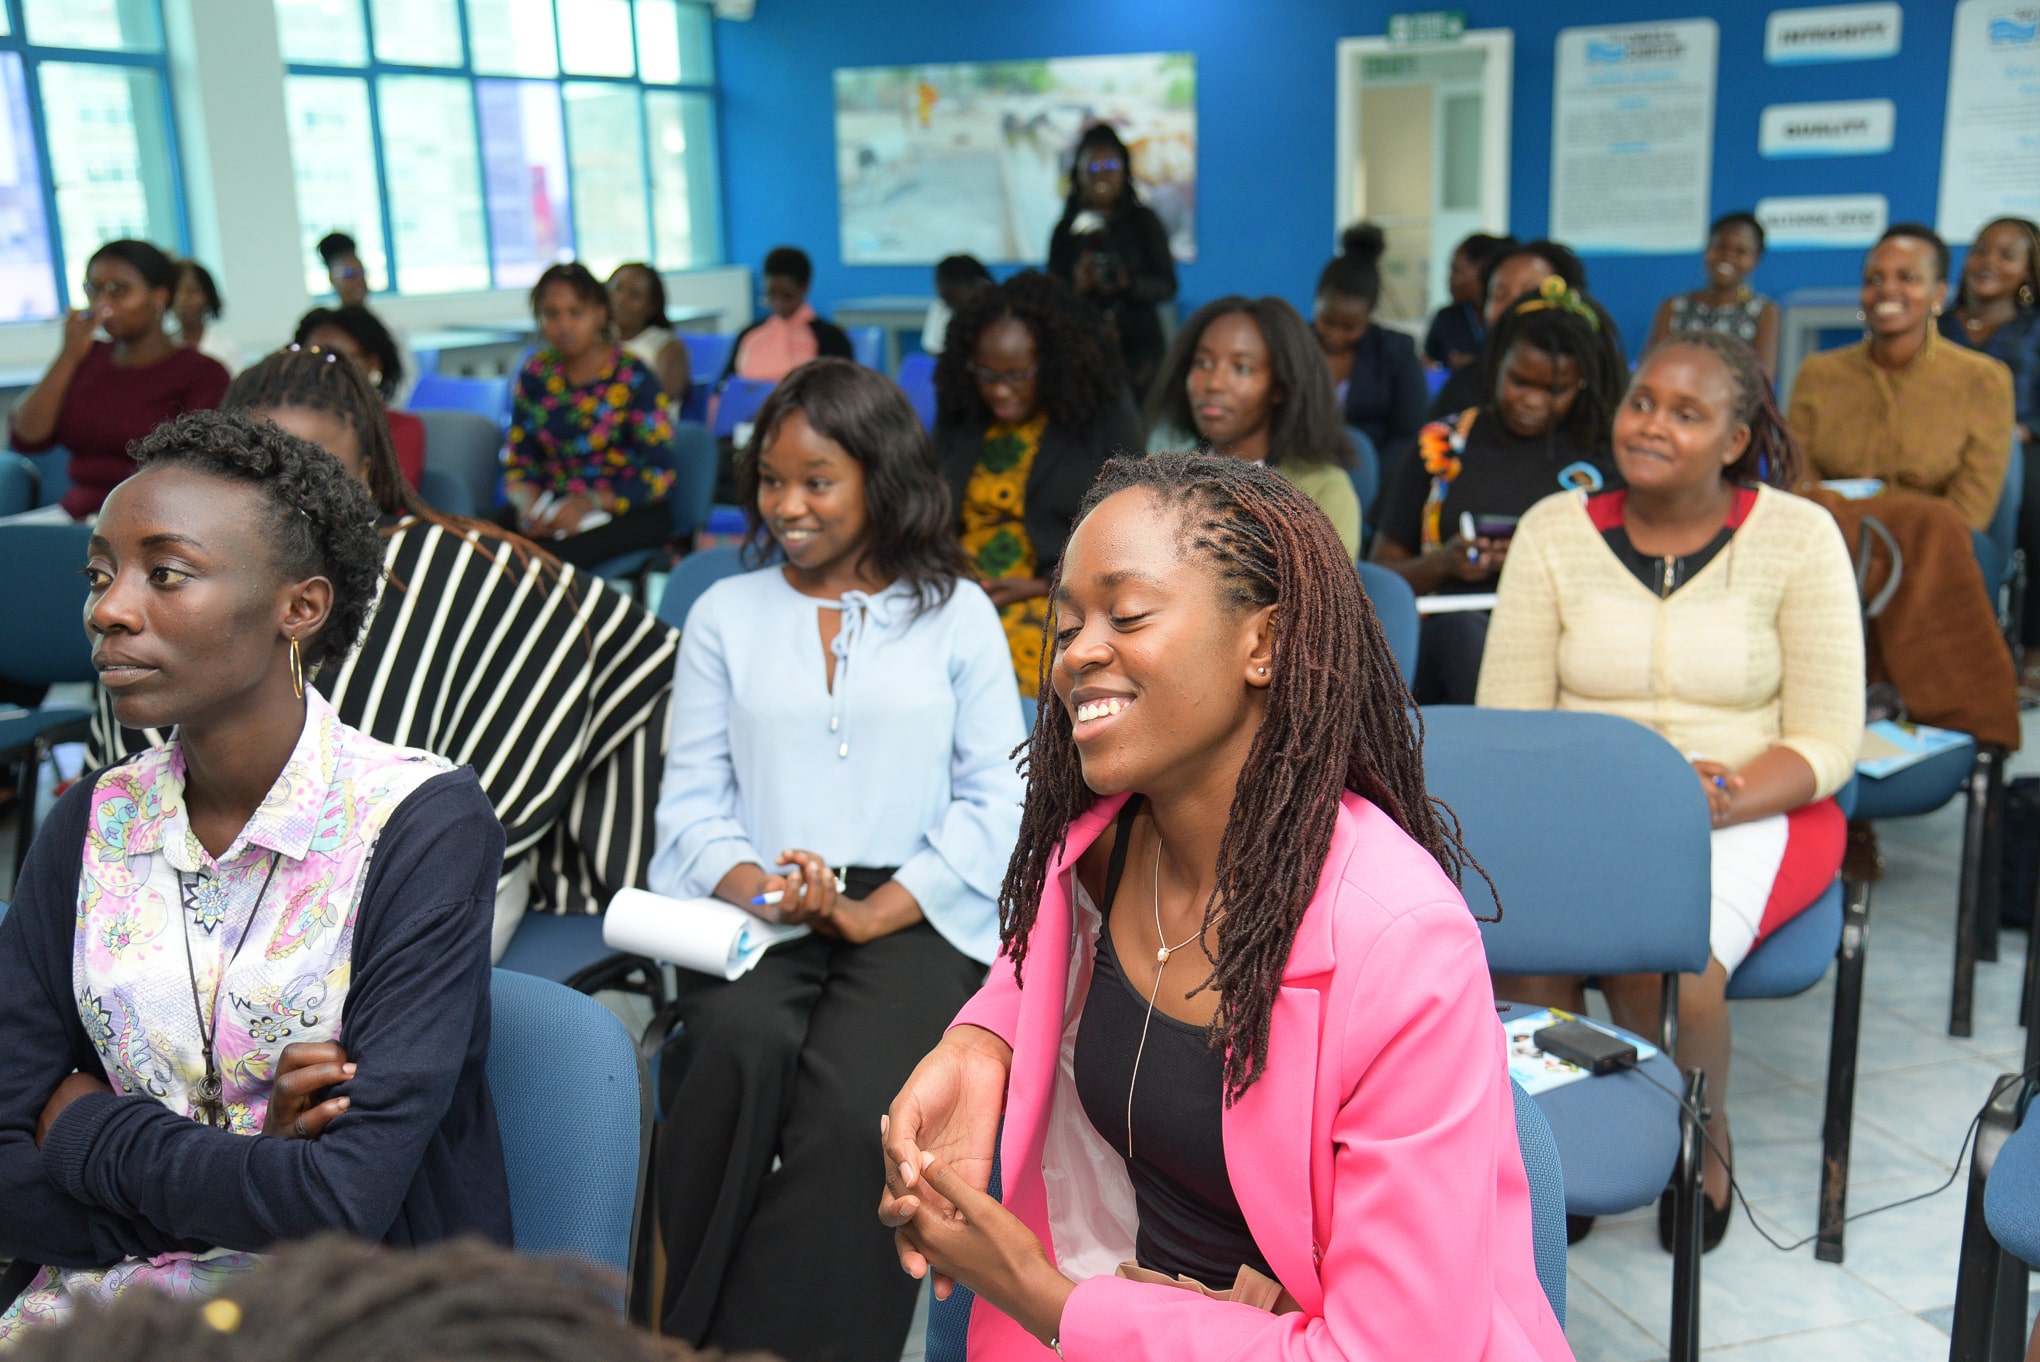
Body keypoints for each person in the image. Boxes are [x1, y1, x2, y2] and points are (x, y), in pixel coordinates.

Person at [876, 454, 1570, 1362]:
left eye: (1128, 615)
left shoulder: (1403, 941)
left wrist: (1048, 1300)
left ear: (1264, 643)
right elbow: (1042, 964)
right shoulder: (1098, 847)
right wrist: (981, 1040)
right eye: (1068, 625)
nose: (1078, 653)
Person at [0, 411, 509, 1342]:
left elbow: (344, 1199)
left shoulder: (418, 823)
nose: (109, 609)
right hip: (106, 1297)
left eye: (166, 573)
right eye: (101, 574)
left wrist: (80, 1131)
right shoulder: (92, 820)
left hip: (352, 1310)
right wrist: (240, 1181)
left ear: (299, 608)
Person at [650, 358, 1025, 1362]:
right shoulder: (725, 613)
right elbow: (691, 801)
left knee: (867, 1113)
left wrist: (867, 911)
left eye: (818, 481)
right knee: (729, 1056)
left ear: (880, 477)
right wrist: (767, 888)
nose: (788, 506)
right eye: (772, 481)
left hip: (917, 904)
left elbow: (999, 801)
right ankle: (678, 1332)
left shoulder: (958, 613)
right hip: (757, 900)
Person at [89, 346, 678, 959]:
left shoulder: (463, 571)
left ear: (366, 475)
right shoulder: (159, 607)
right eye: (255, 475)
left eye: (311, 475)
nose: (283, 502)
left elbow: (632, 648)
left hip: (429, 891)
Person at [1479, 332, 1863, 1251]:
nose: (1652, 425)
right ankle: (1565, 1148)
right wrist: (1618, 801)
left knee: (1678, 975)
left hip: (1749, 802)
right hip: (1582, 797)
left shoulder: (1798, 535)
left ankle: (1701, 1145)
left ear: (1735, 440)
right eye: (1643, 402)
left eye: (1687, 414)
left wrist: (1719, 797)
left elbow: (1827, 735)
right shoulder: (1553, 530)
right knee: (1531, 959)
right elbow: (1513, 718)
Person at [1373, 278, 1626, 703]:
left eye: (1554, 390)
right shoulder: (1443, 444)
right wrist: (1443, 564)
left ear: (1581, 383)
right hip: (1447, 633)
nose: (1532, 401)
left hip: (1565, 639)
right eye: (1519, 381)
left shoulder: (1604, 459)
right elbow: (1381, 579)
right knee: (1462, 635)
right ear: (1496, 364)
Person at [5, 1233, 690, 1362]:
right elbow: (17, 1194)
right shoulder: (72, 869)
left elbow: (344, 1191)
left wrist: (81, 1131)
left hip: (332, 1289)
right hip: (90, 1287)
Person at [934, 271, 1143, 692]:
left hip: (1057, 595)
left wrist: (1041, 585)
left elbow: (1129, 529)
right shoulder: (963, 413)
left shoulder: (1094, 416)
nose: (1000, 391)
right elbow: (927, 504)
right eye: (987, 374)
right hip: (958, 590)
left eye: (1017, 375)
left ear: (1051, 363)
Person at [1790, 224, 2015, 533]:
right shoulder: (1818, 373)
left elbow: (1971, 512)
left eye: (1907, 278)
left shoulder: (1983, 379)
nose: (1887, 289)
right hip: (1832, 538)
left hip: (1936, 542)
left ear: (1939, 294)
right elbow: (1799, 484)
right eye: (1874, 280)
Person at [8, 240, 230, 519]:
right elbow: (27, 436)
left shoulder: (202, 372)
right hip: (78, 511)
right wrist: (68, 355)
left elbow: (200, 468)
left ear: (159, 296)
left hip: (153, 515)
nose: (102, 305)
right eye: (93, 289)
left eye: (118, 290)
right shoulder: (87, 357)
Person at [1147, 296, 1361, 559]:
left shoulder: (1325, 489)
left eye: (1241, 368)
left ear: (1279, 387)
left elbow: (1325, 585)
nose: (1214, 383)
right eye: (1203, 363)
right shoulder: (1167, 477)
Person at [504, 261, 676, 568]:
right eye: (551, 314)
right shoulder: (536, 374)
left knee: (546, 564)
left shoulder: (632, 375)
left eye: (576, 313)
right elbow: (520, 461)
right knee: (480, 542)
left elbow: (660, 474)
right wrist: (527, 507)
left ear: (600, 313)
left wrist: (590, 502)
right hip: (554, 504)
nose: (564, 326)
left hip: (626, 508)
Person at [1941, 216, 2040, 692]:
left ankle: (2032, 651)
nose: (1988, 262)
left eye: (2006, 255)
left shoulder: (2034, 328)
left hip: (2022, 445)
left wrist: (2025, 429)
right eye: (1981, 250)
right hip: (1941, 448)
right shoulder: (1935, 325)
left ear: (2028, 270)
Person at [1048, 124, 1179, 400]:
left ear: (1125, 170)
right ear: (1078, 173)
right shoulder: (1065, 231)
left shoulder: (1144, 222)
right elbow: (1049, 298)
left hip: (1140, 353)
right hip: (1081, 351)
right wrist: (1077, 286)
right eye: (1092, 167)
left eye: (1110, 166)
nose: (1102, 175)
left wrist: (1128, 283)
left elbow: (1167, 285)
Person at [1424, 239, 1589, 423]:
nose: (1514, 307)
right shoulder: (1465, 383)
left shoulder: (1590, 384)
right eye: (1500, 295)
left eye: (1530, 294)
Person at [1313, 223, 1427, 457]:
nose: (1335, 335)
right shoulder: (1293, 344)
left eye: (1349, 327)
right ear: (1316, 304)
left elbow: (1408, 434)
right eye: (1327, 321)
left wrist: (1370, 475)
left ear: (1368, 316)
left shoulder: (1395, 352)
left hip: (1374, 469)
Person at [294, 305, 424, 489]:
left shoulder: (399, 428)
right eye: (312, 357)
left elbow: (389, 500)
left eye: (334, 358)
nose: (322, 369)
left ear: (373, 364)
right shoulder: (292, 425)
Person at [1645, 212, 1781, 377]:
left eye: (1740, 251)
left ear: (1755, 260)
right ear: (1708, 249)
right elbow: (1651, 369)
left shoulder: (1763, 311)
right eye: (1721, 247)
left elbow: (1763, 379)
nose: (1728, 256)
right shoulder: (1673, 307)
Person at [722, 246, 853, 383]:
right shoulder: (749, 334)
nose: (778, 303)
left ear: (804, 289)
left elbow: (841, 389)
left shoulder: (831, 338)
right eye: (771, 295)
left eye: (787, 296)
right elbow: (725, 385)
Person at [314, 233, 415, 405]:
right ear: (331, 278)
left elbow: (406, 377)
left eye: (361, 273)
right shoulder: (325, 329)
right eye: (349, 275)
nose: (359, 282)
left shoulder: (386, 325)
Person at [1425, 232, 1516, 370]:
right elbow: (1430, 362)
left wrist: (1475, 367)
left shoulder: (1513, 318)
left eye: (1457, 270)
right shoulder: (1446, 318)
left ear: (1482, 269)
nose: (1449, 279)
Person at [608, 262, 692, 403]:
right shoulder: (599, 339)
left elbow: (662, 399)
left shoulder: (668, 347)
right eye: (617, 289)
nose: (621, 299)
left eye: (634, 295)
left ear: (652, 306)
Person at [171, 260, 240, 377]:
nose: (182, 300)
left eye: (192, 292)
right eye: (176, 292)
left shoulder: (225, 348)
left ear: (208, 296)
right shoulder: (166, 347)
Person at [923, 254, 995, 356]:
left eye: (957, 301)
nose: (952, 307)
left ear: (980, 285)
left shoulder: (1001, 310)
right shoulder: (940, 308)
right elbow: (935, 349)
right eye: (947, 301)